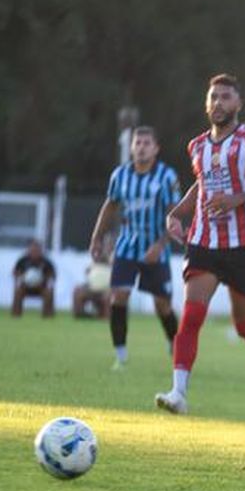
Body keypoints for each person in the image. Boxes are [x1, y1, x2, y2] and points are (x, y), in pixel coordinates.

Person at [154, 74, 245, 414]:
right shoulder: (197, 145)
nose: (218, 103)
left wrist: (237, 199)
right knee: (192, 315)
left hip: (242, 248)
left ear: (238, 104)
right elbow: (201, 185)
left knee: (244, 326)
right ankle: (178, 393)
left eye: (226, 97)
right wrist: (176, 214)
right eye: (213, 97)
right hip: (203, 243)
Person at [88, 125, 183, 369]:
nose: (141, 148)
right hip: (127, 246)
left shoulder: (167, 177)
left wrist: (161, 245)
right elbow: (110, 206)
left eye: (146, 143)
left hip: (156, 247)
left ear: (156, 148)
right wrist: (96, 237)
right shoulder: (120, 175)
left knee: (162, 304)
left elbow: (175, 214)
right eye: (137, 143)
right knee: (119, 297)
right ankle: (120, 356)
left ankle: (175, 344)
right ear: (131, 148)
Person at [11, 240, 56, 318]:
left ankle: (47, 316)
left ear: (41, 250)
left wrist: (44, 279)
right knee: (18, 291)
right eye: (32, 249)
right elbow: (15, 273)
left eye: (37, 250)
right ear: (28, 250)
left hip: (41, 287)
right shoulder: (22, 260)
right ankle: (16, 315)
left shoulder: (46, 261)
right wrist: (22, 277)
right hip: (25, 286)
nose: (35, 251)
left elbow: (53, 275)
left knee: (48, 292)